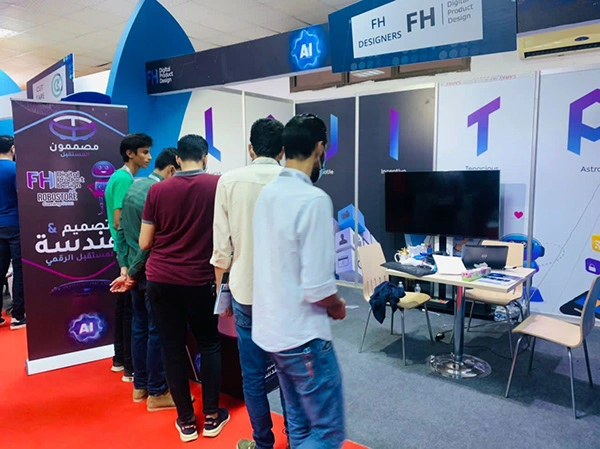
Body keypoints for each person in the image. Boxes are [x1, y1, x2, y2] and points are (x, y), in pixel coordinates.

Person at [252, 114, 347, 449]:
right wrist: (337, 305)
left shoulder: (268, 194)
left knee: (299, 422)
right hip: (303, 335)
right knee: (328, 432)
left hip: (272, 331)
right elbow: (318, 287)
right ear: (319, 148)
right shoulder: (314, 200)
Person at [140, 135, 229, 443]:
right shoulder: (218, 186)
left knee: (172, 347)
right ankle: (213, 416)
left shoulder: (157, 190)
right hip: (200, 280)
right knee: (210, 344)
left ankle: (187, 422)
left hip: (161, 280)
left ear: (177, 159)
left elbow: (144, 242)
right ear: (205, 158)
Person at [211, 118, 288, 449]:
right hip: (287, 297)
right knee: (290, 375)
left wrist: (222, 297)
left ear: (250, 148)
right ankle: (297, 439)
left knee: (253, 376)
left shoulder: (228, 181)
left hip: (246, 291)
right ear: (282, 151)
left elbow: (221, 251)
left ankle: (263, 442)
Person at [110, 148, 179, 411]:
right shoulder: (159, 193)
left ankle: (140, 385)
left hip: (134, 271)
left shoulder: (134, 187)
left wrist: (125, 267)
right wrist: (133, 272)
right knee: (155, 331)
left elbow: (120, 230)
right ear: (172, 169)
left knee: (139, 327)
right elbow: (148, 243)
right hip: (149, 272)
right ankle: (157, 392)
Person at [105, 133, 152, 381]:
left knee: (126, 310)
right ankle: (129, 365)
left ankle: (122, 361)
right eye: (144, 152)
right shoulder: (124, 180)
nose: (149, 157)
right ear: (130, 154)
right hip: (128, 255)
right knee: (130, 314)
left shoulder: (121, 177)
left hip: (126, 254)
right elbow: (118, 221)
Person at [0, 135, 25, 330]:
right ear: (13, 149)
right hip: (15, 225)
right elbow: (22, 197)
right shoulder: (16, 170)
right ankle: (18, 316)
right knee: (19, 270)